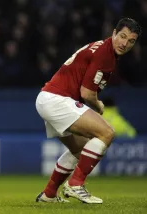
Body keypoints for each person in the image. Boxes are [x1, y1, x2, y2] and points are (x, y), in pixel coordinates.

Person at [35, 18, 141, 204]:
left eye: (131, 41)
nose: (125, 43)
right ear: (114, 33)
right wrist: (99, 105)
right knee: (107, 132)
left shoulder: (102, 48)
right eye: (122, 36)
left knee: (82, 150)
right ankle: (75, 184)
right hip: (58, 99)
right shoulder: (105, 54)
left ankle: (49, 195)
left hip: (49, 98)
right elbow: (87, 93)